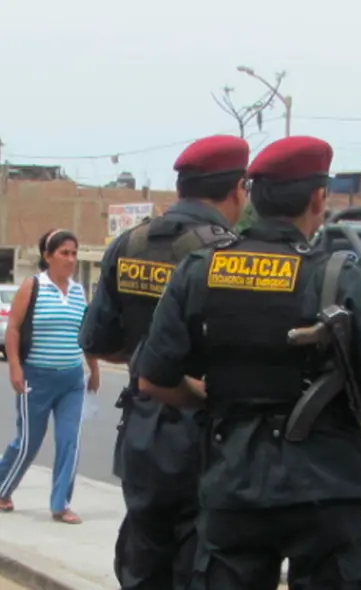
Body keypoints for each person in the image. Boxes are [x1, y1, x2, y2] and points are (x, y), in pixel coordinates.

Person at [134, 135, 361, 590]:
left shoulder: (199, 270)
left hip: (233, 484)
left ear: (252, 195)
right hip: (325, 490)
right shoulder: (337, 275)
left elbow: (154, 382)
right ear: (317, 198)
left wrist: (205, 397)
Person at [78, 135, 250, 590]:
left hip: (141, 434)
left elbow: (96, 340)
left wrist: (143, 354)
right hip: (203, 434)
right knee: (200, 566)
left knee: (143, 562)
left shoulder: (128, 243)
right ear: (238, 189)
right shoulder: (228, 255)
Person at [0, 229, 99, 524]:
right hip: (36, 377)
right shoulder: (33, 286)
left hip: (71, 380)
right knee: (29, 440)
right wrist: (15, 367)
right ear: (48, 256)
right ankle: (3, 489)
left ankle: (60, 504)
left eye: (73, 253)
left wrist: (93, 370)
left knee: (70, 441)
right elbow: (14, 329)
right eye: (64, 253)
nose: (70, 259)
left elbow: (86, 334)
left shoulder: (80, 291)